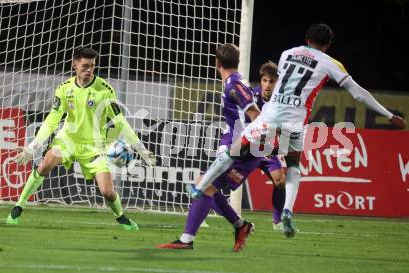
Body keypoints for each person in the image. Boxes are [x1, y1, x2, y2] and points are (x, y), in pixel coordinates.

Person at [189, 24, 407, 238]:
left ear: (306, 37)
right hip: (296, 123)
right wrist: (389, 115)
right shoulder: (331, 63)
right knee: (293, 164)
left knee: (232, 151)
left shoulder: (287, 54)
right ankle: (287, 211)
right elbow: (358, 94)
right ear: (329, 44)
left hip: (270, 116)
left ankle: (200, 188)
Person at [7, 48, 156, 230]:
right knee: (45, 164)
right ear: (74, 65)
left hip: (95, 146)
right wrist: (33, 147)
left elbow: (120, 122)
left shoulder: (105, 90)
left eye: (92, 67)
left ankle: (120, 216)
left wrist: (140, 148)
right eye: (85, 66)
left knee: (107, 192)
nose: (89, 70)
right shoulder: (64, 89)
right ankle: (18, 206)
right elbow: (52, 120)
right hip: (68, 140)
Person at [157, 44, 261, 251]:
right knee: (206, 185)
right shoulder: (235, 82)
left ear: (217, 64)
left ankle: (187, 240)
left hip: (246, 149)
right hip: (243, 146)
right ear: (237, 62)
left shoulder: (234, 85)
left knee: (204, 186)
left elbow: (255, 115)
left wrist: (243, 144)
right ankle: (240, 226)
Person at [253, 61, 285, 231]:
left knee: (280, 181)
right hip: (247, 146)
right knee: (222, 180)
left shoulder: (280, 102)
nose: (267, 85)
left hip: (266, 149)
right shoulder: (251, 96)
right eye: (265, 80)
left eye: (271, 82)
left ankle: (277, 222)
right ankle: (200, 209)